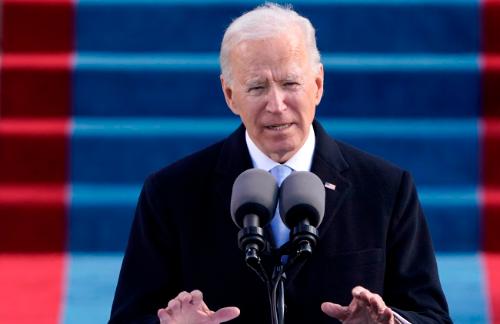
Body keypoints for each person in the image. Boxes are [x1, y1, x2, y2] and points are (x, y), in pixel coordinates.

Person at [110, 3, 451, 324]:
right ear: (230, 95)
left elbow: (430, 315)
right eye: (257, 87)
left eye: (290, 83)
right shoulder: (171, 194)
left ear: (317, 85)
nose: (276, 105)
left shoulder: (386, 189)